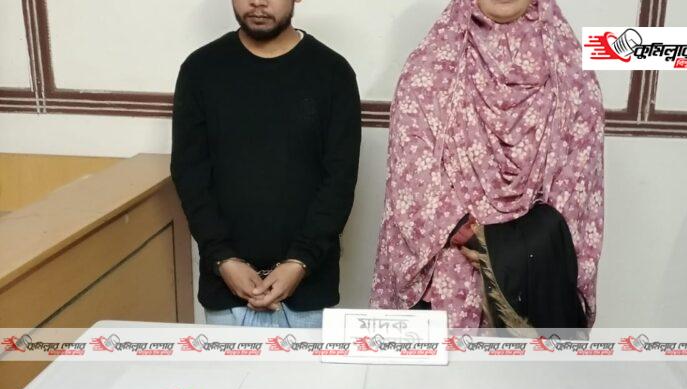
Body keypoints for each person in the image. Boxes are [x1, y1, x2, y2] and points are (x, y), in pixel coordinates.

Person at [370, 0, 604, 328]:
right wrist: (470, 235)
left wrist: (506, 246)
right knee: (441, 363)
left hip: (534, 278)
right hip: (447, 275)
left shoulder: (572, 77)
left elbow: (577, 185)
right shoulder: (429, 68)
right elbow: (411, 171)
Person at [170, 0, 361, 328]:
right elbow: (190, 174)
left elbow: (340, 180)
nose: (258, 2)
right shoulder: (200, 69)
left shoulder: (333, 72)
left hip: (309, 293)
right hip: (226, 289)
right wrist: (222, 258)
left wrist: (301, 261)